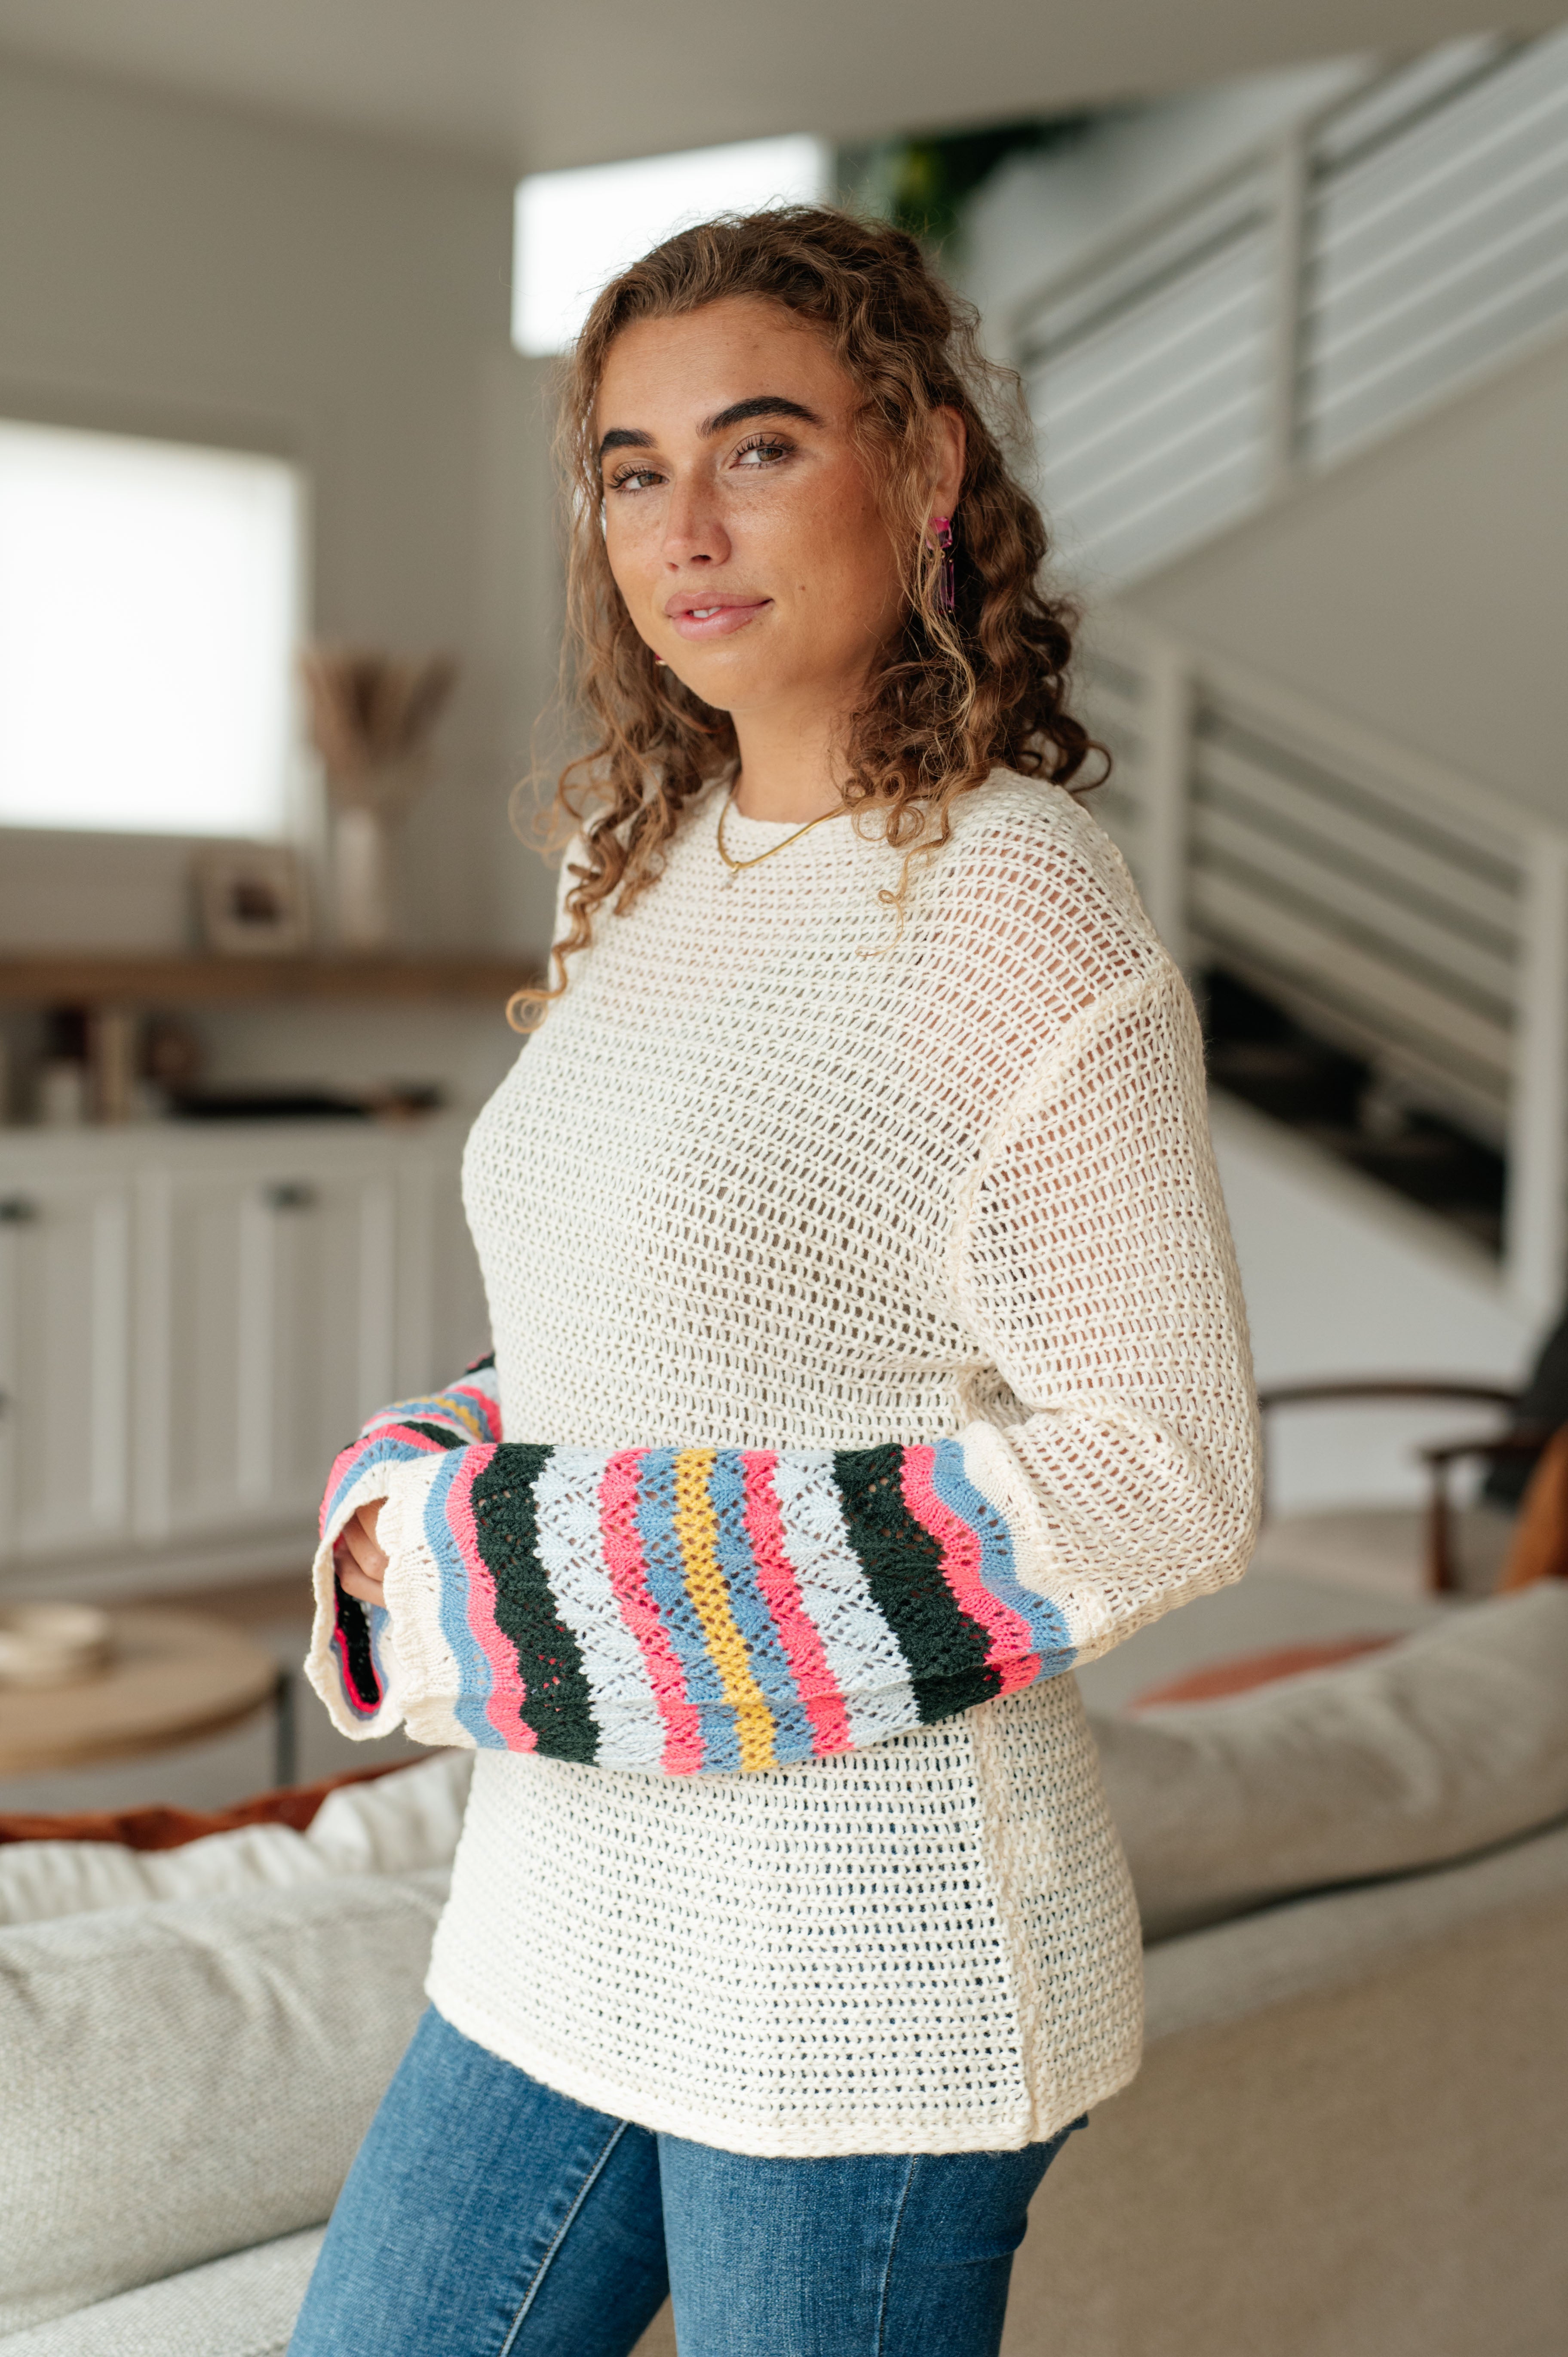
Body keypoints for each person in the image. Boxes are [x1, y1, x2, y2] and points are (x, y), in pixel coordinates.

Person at [289, 206, 1260, 2357]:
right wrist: (424, 1476)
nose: (684, 526)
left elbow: (1174, 1468)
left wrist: (552, 1571)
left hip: (870, 1946)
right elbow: (637, 1315)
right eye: (634, 468)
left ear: (921, 474)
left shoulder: (1020, 901)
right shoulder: (627, 866)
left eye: (759, 448)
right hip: (562, 1895)